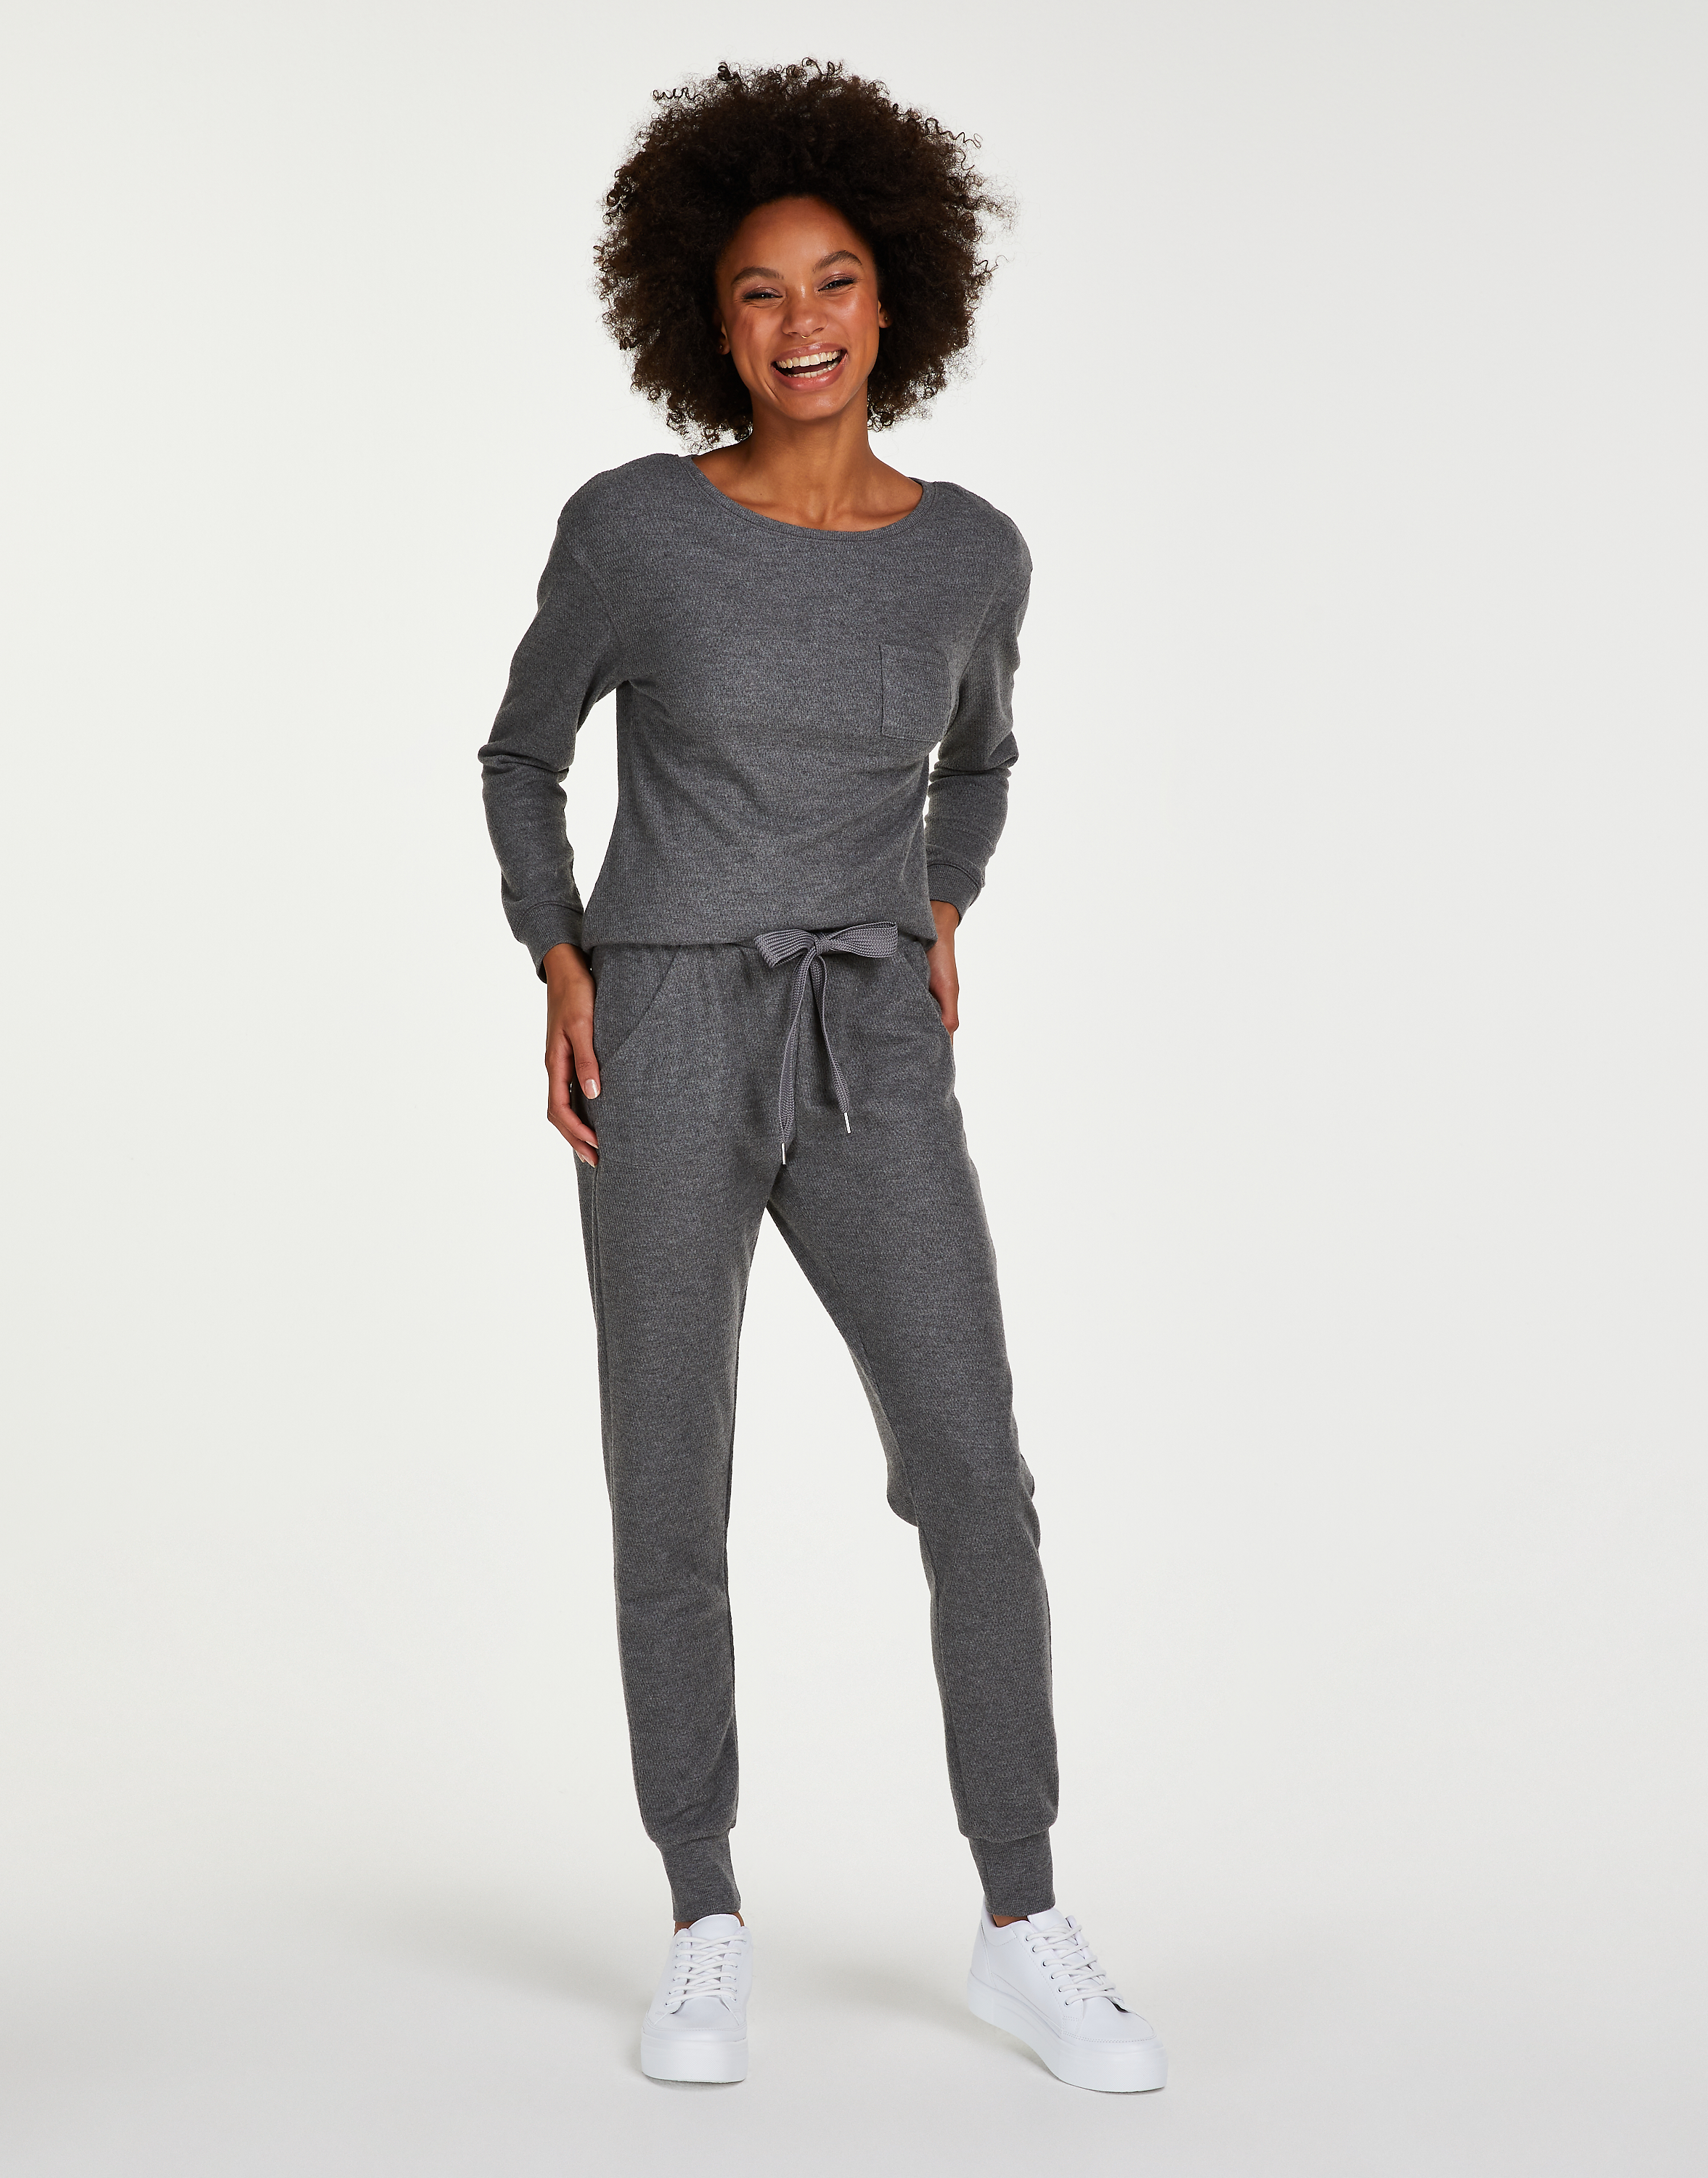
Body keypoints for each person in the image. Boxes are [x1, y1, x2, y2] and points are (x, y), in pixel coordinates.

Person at [478, 60, 1165, 2094]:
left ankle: (1023, 1919)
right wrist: (560, 953)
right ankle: (702, 1912)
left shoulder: (969, 556)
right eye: (761, 289)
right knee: (668, 1474)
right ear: (709, 314)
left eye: (837, 280)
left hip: (871, 1036)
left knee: (971, 1469)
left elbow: (986, 762)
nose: (802, 321)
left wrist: (939, 902)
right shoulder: (633, 529)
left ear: (897, 297)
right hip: (669, 1021)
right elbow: (521, 750)